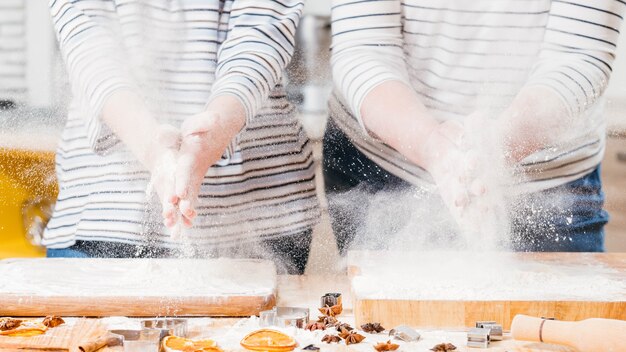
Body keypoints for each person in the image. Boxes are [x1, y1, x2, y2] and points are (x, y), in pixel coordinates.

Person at [43, 0, 318, 274]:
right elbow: (91, 49)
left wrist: (213, 134)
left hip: (260, 208)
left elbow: (258, 40)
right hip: (107, 217)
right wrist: (152, 148)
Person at [326, 0, 624, 253]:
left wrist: (493, 150)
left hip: (549, 184)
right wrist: (432, 146)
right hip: (386, 167)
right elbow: (364, 45)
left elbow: (578, 53)